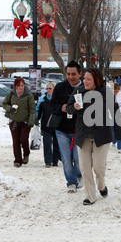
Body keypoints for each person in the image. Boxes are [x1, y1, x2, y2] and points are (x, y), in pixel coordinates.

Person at [67, 68, 114, 206]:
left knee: (99, 167)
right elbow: (69, 107)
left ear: (96, 80)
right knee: (85, 168)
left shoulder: (105, 92)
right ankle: (90, 196)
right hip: (83, 135)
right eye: (84, 79)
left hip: (102, 135)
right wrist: (74, 107)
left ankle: (101, 186)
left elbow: (115, 110)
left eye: (89, 79)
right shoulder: (78, 91)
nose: (85, 82)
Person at [50, 61, 83, 193]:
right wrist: (61, 108)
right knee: (66, 158)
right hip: (62, 129)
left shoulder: (85, 88)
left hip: (79, 130)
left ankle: (79, 175)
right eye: (68, 74)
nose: (70, 77)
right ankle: (71, 182)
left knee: (78, 158)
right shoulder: (59, 87)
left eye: (73, 74)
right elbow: (52, 106)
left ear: (80, 74)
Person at [3, 77, 36, 168]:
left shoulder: (28, 95)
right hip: (14, 122)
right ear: (15, 86)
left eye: (22, 85)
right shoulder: (11, 94)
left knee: (23, 139)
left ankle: (26, 153)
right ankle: (18, 160)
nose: (21, 87)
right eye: (19, 86)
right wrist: (10, 108)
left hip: (25, 122)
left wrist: (31, 121)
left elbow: (32, 109)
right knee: (16, 141)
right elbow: (4, 103)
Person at [35, 81, 60, 168]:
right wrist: (36, 118)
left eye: (50, 88)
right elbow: (38, 109)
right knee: (47, 143)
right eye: (47, 88)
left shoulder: (58, 99)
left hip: (57, 125)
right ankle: (48, 161)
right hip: (46, 125)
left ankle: (55, 161)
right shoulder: (42, 99)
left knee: (56, 144)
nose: (48, 90)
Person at [111, 82, 121, 153]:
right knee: (112, 130)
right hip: (110, 115)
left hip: (120, 114)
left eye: (116, 91)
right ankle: (114, 140)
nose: (115, 93)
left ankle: (120, 147)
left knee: (120, 131)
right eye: (114, 91)